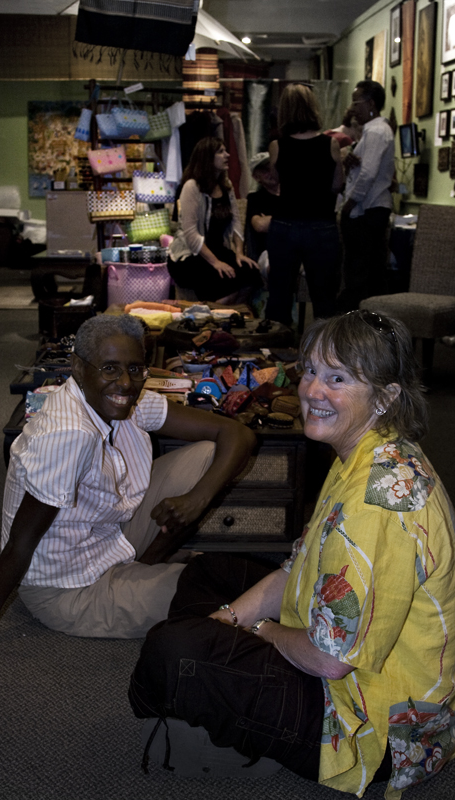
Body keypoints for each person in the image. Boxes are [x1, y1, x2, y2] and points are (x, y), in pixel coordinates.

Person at [130, 310, 455, 797]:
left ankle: (206, 696)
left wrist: (257, 629)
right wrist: (230, 618)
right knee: (206, 574)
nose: (312, 390)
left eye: (338, 378)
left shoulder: (374, 505)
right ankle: (214, 691)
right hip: (344, 660)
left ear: (386, 397)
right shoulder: (369, 451)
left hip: (377, 728)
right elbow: (299, 564)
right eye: (311, 370)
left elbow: (331, 661)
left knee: (171, 649)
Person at [0, 315, 256, 673]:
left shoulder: (123, 399)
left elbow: (237, 435)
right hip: (69, 590)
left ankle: (146, 565)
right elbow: (19, 545)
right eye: (110, 368)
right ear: (78, 368)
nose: (125, 382)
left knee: (207, 455)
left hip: (107, 535)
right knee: (224, 597)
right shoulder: (68, 435)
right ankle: (149, 574)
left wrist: (196, 500)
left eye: (134, 368)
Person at [264, 83, 343, 325]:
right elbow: (337, 185)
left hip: (285, 223)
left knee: (279, 295)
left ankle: (279, 344)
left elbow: (275, 181)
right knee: (325, 297)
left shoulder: (277, 146)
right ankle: (326, 346)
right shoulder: (330, 144)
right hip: (321, 224)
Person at [167, 137, 261, 304]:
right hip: (190, 255)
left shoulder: (226, 185)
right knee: (224, 279)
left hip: (218, 249)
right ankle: (210, 314)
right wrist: (216, 262)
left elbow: (236, 222)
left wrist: (239, 253)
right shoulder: (192, 186)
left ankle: (228, 312)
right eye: (220, 152)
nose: (227, 155)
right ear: (207, 157)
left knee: (250, 272)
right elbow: (191, 234)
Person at [338, 80, 395, 312]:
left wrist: (349, 204)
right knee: (366, 272)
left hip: (368, 209)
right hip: (370, 208)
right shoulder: (374, 131)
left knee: (360, 275)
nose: (352, 108)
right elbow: (366, 167)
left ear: (371, 104)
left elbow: (369, 173)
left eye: (356, 102)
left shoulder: (376, 131)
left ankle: (359, 323)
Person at [244, 151, 280, 263]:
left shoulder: (293, 194)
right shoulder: (255, 198)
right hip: (267, 251)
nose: (271, 173)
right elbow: (259, 225)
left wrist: (270, 220)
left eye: (273, 168)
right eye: (265, 170)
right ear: (256, 177)